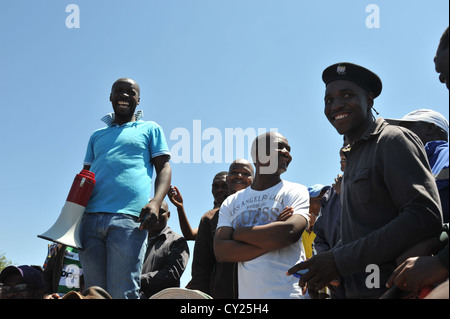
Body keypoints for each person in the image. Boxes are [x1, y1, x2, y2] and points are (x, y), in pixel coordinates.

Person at [287, 62, 443, 298]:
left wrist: (339, 260)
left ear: (370, 99)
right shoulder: (354, 156)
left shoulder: (392, 140)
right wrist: (326, 264)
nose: (336, 105)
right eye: (328, 100)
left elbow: (423, 215)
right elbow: (363, 230)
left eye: (347, 95)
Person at [79, 77, 172, 299]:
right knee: (93, 293)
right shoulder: (96, 135)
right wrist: (72, 216)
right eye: (118, 91)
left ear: (138, 100)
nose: (124, 95)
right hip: (90, 220)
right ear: (110, 97)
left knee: (123, 291)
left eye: (130, 92)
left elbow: (164, 168)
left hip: (128, 219)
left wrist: (156, 202)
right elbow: (85, 177)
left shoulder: (150, 129)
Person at [214, 132, 310, 299]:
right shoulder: (232, 202)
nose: (287, 153)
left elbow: (290, 233)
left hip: (289, 294)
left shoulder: (295, 191)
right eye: (279, 147)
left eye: (288, 149)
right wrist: (273, 236)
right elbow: (222, 252)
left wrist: (239, 234)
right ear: (258, 154)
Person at [186, 159, 254, 299]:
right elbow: (201, 269)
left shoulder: (265, 210)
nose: (239, 176)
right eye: (234, 173)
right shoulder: (209, 219)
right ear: (229, 180)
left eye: (245, 173)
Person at [140, 200, 189, 299]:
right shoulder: (136, 239)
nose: (156, 214)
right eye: (152, 211)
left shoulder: (177, 241)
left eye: (161, 211)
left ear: (168, 215)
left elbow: (170, 275)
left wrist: (135, 279)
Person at [168, 171, 229, 240]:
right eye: (215, 186)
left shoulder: (240, 212)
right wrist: (180, 207)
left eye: (225, 186)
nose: (219, 190)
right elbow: (190, 235)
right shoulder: (210, 217)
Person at [302, 184, 330, 259]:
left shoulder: (326, 229)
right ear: (306, 202)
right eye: (318, 200)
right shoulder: (295, 226)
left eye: (325, 200)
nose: (322, 204)